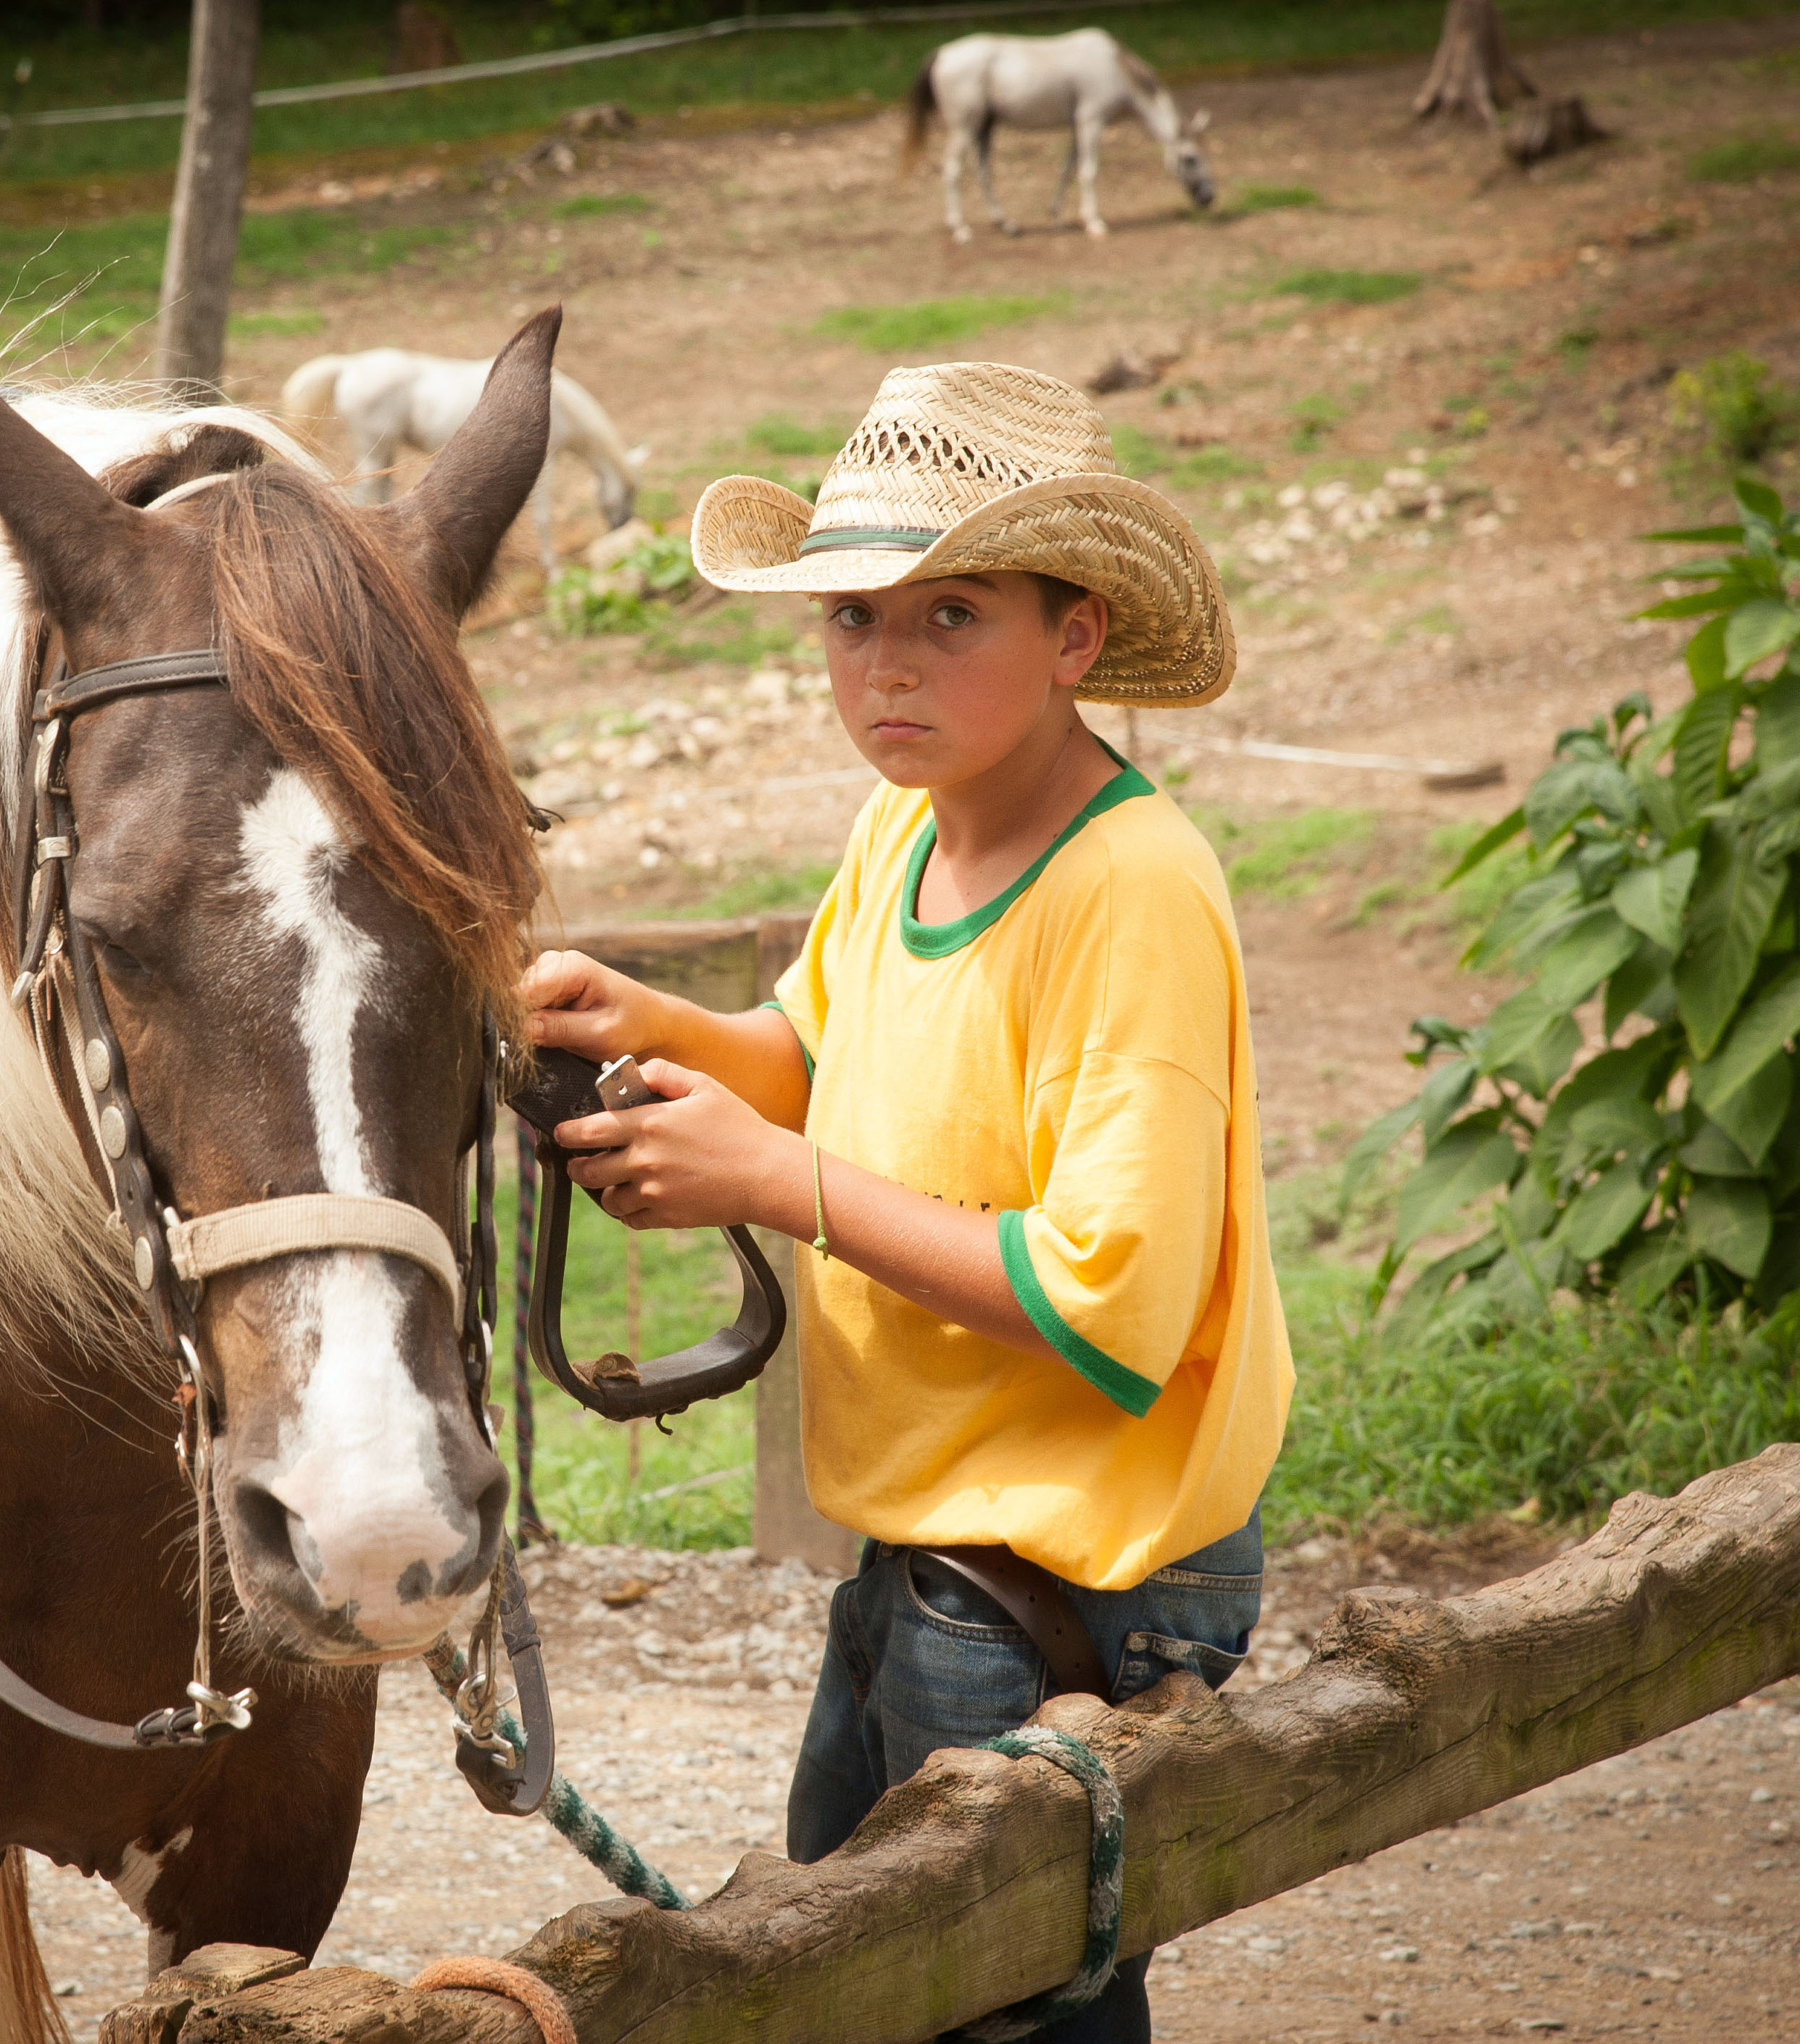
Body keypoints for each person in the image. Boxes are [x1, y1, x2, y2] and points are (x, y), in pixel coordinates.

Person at [521, 361, 1292, 2042]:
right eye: (856, 616)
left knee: (980, 2008)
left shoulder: (1133, 891)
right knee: (855, 1979)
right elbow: (811, 1049)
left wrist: (777, 1184)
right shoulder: (907, 829)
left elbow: (1113, 1301)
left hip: (1066, 1578)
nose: (888, 663)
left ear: (1077, 636)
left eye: (954, 616)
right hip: (936, 1539)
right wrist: (646, 1030)